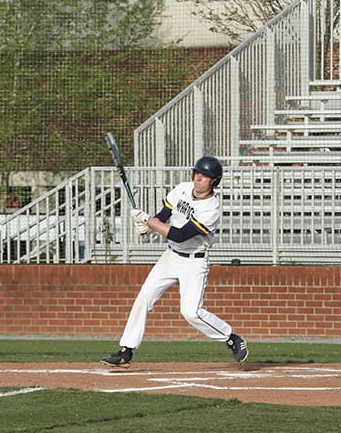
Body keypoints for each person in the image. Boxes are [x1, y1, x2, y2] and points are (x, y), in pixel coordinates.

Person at [101, 156, 249, 368]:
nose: (199, 178)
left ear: (214, 181)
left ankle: (231, 337)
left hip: (194, 261)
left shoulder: (210, 208)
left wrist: (147, 220)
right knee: (144, 297)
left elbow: (180, 235)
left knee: (191, 312)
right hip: (170, 256)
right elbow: (163, 215)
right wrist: (148, 225)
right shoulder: (182, 188)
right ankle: (126, 351)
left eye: (205, 176)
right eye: (197, 173)